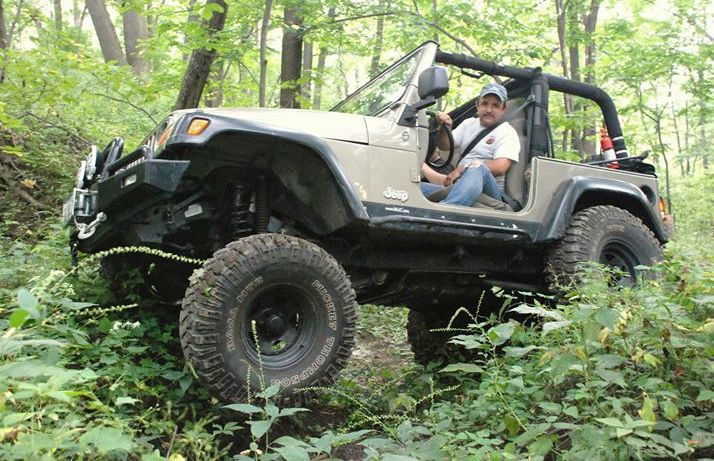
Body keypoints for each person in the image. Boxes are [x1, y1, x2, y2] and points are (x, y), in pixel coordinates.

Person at [421, 82, 520, 207]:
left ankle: (448, 211)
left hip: (488, 192)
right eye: (485, 103)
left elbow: (501, 167)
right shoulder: (468, 124)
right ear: (477, 105)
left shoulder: (507, 132)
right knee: (410, 188)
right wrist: (445, 127)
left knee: (477, 166)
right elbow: (445, 146)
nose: (489, 109)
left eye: (495, 105)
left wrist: (463, 168)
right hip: (460, 186)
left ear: (503, 109)